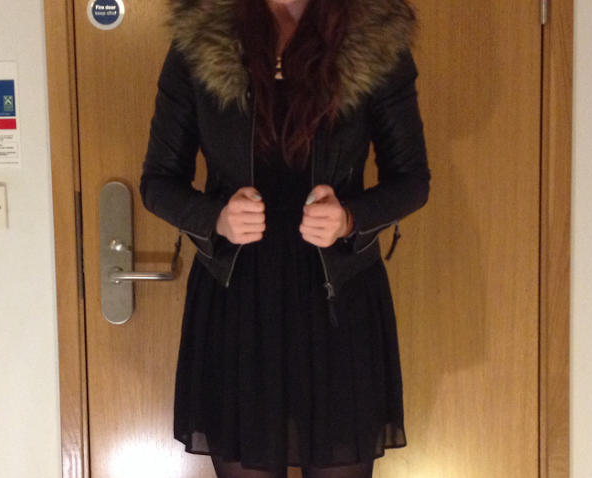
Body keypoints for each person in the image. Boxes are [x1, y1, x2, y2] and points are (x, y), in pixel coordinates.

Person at [140, 0, 430, 476]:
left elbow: (412, 179)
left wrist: (350, 219)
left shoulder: (373, 30)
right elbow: (157, 181)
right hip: (237, 307)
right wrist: (217, 219)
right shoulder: (202, 32)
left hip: (339, 305)